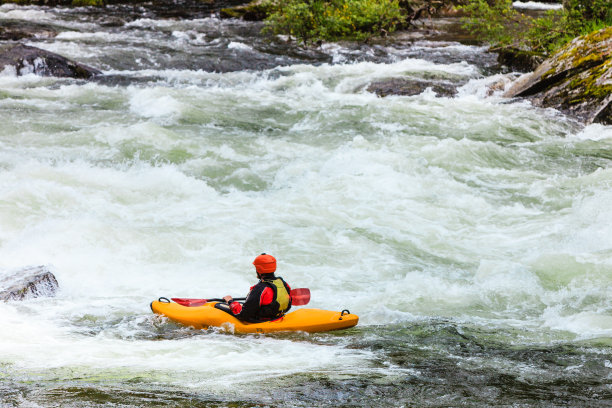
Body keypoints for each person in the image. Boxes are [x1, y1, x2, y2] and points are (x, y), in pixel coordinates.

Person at [215, 253, 292, 323]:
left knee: (218, 306)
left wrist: (230, 301)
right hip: (277, 316)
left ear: (259, 269)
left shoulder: (260, 288)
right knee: (242, 304)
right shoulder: (283, 283)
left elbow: (243, 315)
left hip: (260, 320)